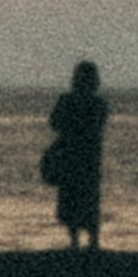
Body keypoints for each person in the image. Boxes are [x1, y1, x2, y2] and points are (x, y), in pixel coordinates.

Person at [40, 58, 108, 252]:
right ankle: (93, 241)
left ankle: (75, 241)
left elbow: (54, 123)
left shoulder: (67, 100)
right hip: (89, 159)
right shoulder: (98, 104)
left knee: (71, 200)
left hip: (71, 157)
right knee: (89, 200)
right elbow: (97, 128)